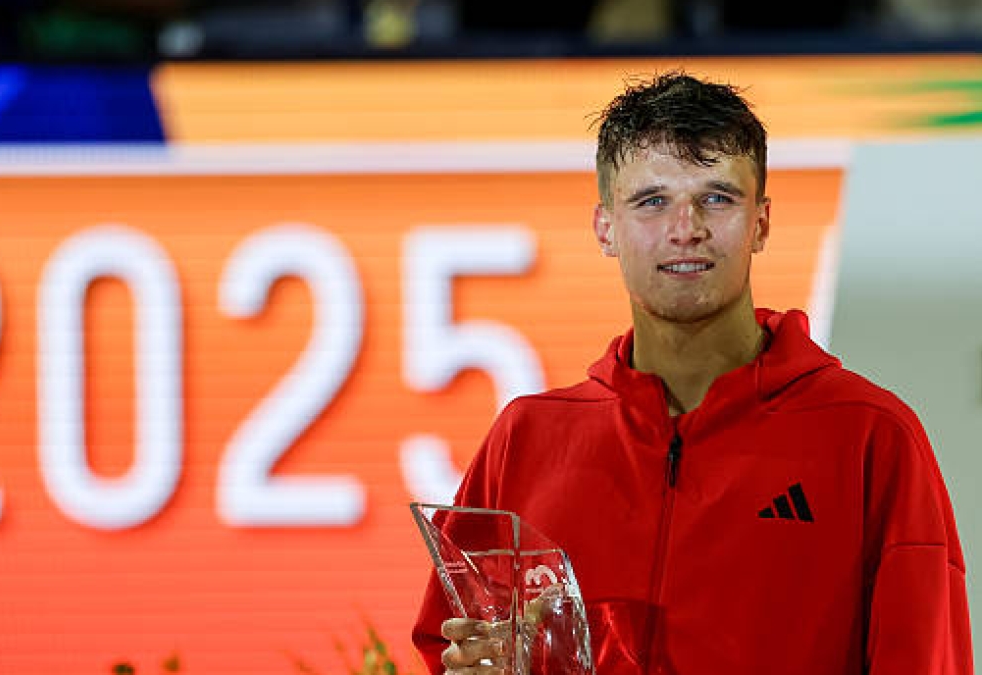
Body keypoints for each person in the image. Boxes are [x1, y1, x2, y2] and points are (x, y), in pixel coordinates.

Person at [412, 72, 972, 674]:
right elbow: (451, 648)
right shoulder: (524, 439)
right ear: (605, 227)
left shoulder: (870, 435)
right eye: (652, 201)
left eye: (717, 198)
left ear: (761, 222)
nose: (687, 228)